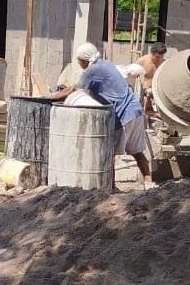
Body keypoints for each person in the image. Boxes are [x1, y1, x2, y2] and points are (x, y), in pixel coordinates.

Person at [53, 42, 151, 183]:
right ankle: (149, 184)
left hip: (123, 114)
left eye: (79, 60)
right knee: (137, 152)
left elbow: (74, 90)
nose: (79, 63)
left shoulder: (92, 71)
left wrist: (50, 96)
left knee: (108, 154)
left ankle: (109, 189)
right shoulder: (106, 64)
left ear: (84, 59)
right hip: (136, 110)